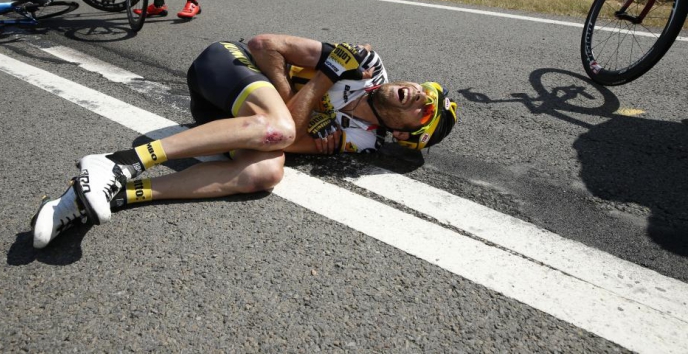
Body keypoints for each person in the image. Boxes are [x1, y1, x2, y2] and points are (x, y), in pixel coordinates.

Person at [31, 35, 458, 248]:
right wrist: (312, 88)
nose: (421, 93)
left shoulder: (361, 140)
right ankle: (121, 161)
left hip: (224, 119)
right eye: (427, 88)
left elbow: (286, 144)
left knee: (266, 171)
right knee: (281, 127)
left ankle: (115, 193)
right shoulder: (365, 65)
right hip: (222, 66)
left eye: (427, 108)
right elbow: (263, 44)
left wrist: (319, 82)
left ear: (403, 134)